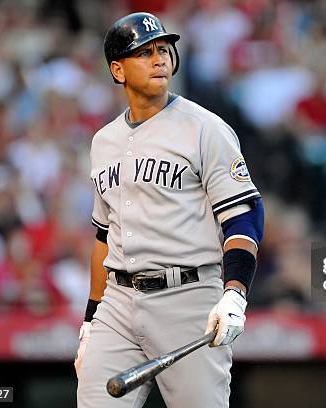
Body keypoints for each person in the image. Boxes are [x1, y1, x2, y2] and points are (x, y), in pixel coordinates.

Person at [74, 12, 264, 408]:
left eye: (163, 49)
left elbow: (243, 214)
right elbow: (103, 237)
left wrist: (234, 294)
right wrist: (90, 321)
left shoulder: (205, 128)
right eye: (144, 52)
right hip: (119, 303)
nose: (159, 58)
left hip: (188, 299)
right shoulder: (103, 141)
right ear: (117, 69)